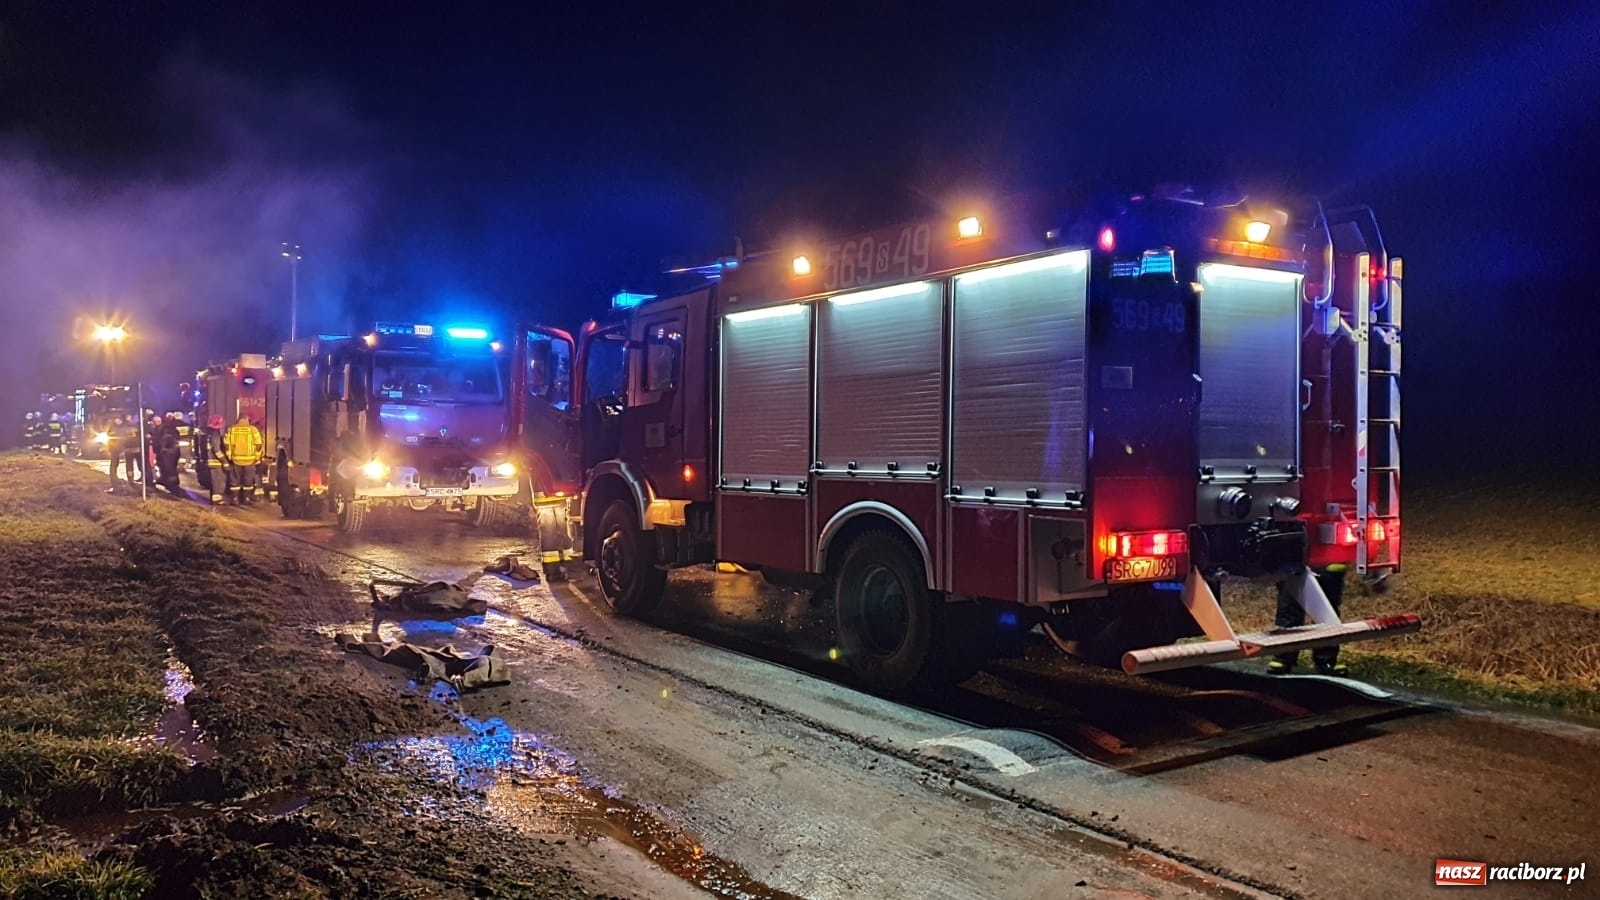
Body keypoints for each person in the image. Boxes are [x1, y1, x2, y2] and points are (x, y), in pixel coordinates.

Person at [1267, 564, 1350, 676]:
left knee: (1326, 613)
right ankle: (1284, 657)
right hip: (1295, 560)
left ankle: (1326, 660)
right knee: (1290, 608)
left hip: (1328, 558)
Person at [224, 413, 264, 505]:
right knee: (248, 480)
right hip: (250, 460)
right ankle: (246, 499)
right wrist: (257, 456)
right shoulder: (253, 430)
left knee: (235, 480)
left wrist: (229, 455)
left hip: (236, 459)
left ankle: (235, 499)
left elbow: (226, 444)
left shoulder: (231, 429)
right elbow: (258, 444)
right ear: (247, 419)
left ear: (238, 419)